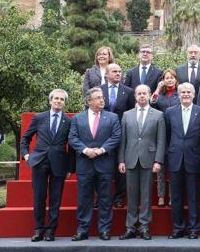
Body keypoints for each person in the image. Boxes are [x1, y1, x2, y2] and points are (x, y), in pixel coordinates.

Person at [20, 89, 75, 242]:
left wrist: (71, 168)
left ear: (64, 103)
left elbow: (71, 147)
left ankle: (51, 231)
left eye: (62, 99)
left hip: (59, 164)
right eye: (56, 98)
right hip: (39, 162)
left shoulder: (69, 121)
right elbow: (25, 138)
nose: (58, 101)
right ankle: (38, 230)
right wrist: (26, 155)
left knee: (55, 199)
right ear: (50, 101)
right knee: (39, 197)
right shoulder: (39, 118)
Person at [68, 87, 121, 241]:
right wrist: (85, 150)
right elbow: (73, 138)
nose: (101, 99)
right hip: (85, 164)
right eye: (97, 97)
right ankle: (82, 230)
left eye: (102, 97)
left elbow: (116, 137)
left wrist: (101, 150)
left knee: (105, 199)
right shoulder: (78, 119)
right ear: (89, 101)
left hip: (104, 164)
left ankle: (104, 230)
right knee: (84, 199)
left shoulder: (112, 117)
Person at [118, 85, 165, 241]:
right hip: (130, 159)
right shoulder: (126, 115)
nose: (142, 96)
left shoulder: (158, 115)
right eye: (139, 93)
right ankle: (130, 227)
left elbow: (161, 140)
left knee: (146, 195)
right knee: (131, 195)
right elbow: (123, 140)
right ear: (135, 96)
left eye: (145, 93)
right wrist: (121, 160)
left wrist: (158, 160)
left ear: (150, 95)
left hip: (149, 159)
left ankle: (144, 226)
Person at [165, 83, 200, 239]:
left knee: (193, 196)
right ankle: (177, 228)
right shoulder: (169, 112)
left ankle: (194, 229)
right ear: (178, 94)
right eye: (182, 92)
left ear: (194, 94)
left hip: (194, 159)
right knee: (176, 197)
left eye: (188, 92)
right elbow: (167, 135)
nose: (185, 94)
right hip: (175, 158)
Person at [100, 63, 135, 208]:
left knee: (121, 167)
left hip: (122, 134)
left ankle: (119, 197)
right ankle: (102, 197)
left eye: (120, 71)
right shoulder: (98, 90)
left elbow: (133, 113)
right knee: (102, 168)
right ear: (106, 74)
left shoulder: (128, 91)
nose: (118, 74)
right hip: (102, 134)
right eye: (114, 71)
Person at [150, 69, 180, 207]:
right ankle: (161, 196)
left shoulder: (180, 93)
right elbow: (151, 104)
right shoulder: (160, 95)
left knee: (174, 169)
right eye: (166, 78)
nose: (169, 80)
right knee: (161, 167)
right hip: (160, 134)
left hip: (175, 134)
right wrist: (157, 88)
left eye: (171, 77)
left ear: (175, 79)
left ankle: (172, 196)